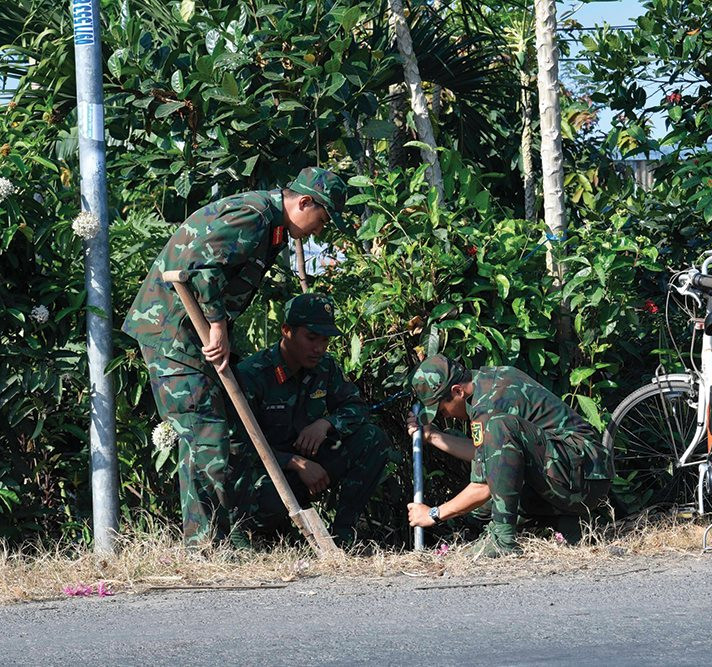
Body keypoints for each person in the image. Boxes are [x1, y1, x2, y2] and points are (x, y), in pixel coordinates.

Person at [122, 167, 347, 546]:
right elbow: (201, 269)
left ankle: (220, 539)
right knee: (205, 435)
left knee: (215, 434)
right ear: (304, 202)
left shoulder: (272, 224)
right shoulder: (255, 216)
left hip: (192, 337)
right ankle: (204, 546)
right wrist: (218, 326)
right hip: (174, 333)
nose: (318, 230)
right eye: (321, 219)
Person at [406, 354, 613, 557]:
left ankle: (504, 540)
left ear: (458, 391)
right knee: (480, 512)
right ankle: (568, 524)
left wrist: (433, 514)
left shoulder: (489, 406)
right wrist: (432, 436)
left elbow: (481, 488)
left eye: (442, 410)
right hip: (577, 473)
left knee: (483, 497)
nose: (446, 416)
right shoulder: (486, 382)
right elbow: (492, 457)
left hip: (582, 478)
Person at [234, 293, 390, 546]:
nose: (319, 348)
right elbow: (237, 444)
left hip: (314, 463)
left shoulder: (325, 367)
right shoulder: (253, 374)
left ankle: (343, 536)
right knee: (266, 501)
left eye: (325, 340)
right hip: (269, 472)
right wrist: (294, 462)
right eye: (311, 338)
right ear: (287, 331)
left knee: (372, 439)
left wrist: (327, 423)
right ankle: (273, 537)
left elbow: (357, 408)